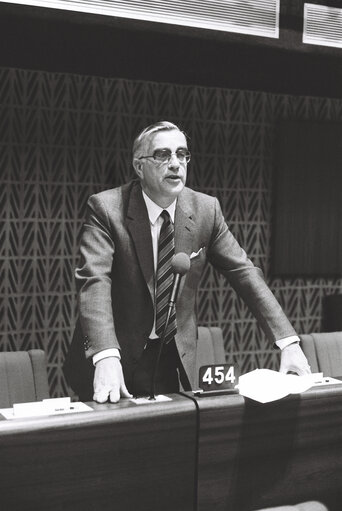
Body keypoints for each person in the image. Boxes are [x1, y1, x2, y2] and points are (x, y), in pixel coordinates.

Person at [64, 121, 310, 403]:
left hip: (170, 359)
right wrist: (105, 354)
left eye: (182, 154)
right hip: (111, 360)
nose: (175, 163)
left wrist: (288, 342)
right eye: (162, 155)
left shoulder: (205, 210)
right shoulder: (106, 208)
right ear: (138, 166)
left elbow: (245, 273)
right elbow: (94, 280)